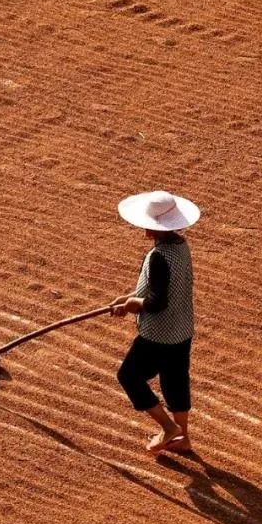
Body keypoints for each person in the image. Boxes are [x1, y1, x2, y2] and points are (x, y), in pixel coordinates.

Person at [110, 190, 199, 455]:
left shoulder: (159, 257)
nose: (146, 233)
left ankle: (167, 428)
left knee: (129, 376)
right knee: (175, 382)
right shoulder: (181, 247)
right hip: (181, 330)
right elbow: (166, 288)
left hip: (158, 335)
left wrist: (133, 305)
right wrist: (129, 297)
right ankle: (183, 437)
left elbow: (157, 302)